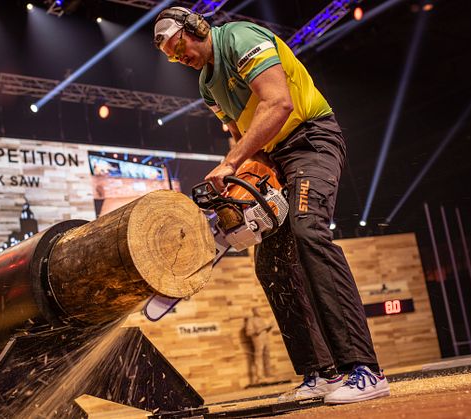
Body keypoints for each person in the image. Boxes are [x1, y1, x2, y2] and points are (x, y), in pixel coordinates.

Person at [153, 7, 390, 404]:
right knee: (270, 264)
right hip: (275, 157)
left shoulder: (241, 38)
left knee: (307, 230)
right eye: (172, 58)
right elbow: (242, 136)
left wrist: (230, 164)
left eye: (179, 47)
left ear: (195, 27)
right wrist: (242, 185)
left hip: (310, 139)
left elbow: (278, 105)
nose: (180, 58)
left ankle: (364, 368)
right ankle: (322, 373)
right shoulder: (207, 86)